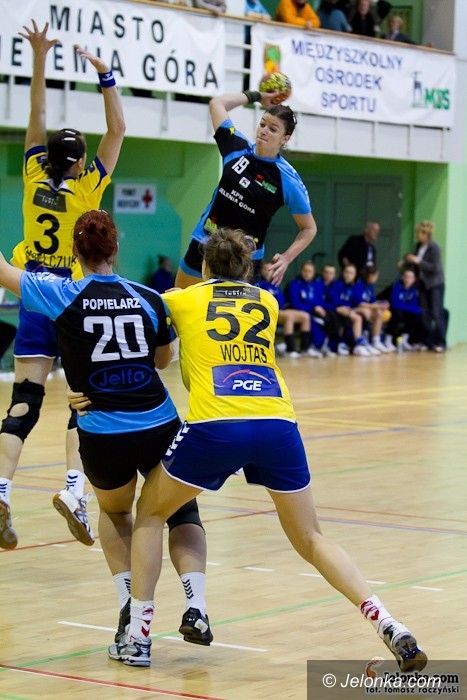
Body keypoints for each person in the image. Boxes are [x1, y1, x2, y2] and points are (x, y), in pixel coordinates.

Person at [103, 228, 426, 671]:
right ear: (247, 269)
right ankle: (388, 622)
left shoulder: (184, 299)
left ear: (205, 266)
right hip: (277, 423)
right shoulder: (267, 301)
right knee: (311, 538)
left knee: (150, 512)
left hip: (216, 424)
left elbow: (131, 305)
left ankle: (138, 637)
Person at [0, 209, 211, 650]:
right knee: (182, 513)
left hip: (101, 432)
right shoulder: (148, 297)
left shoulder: (60, 293)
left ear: (74, 252)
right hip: (157, 424)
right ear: (116, 248)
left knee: (117, 514)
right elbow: (162, 361)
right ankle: (197, 606)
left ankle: (130, 611)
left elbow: (4, 271)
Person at [0, 21, 125, 550]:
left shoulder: (33, 173)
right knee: (84, 398)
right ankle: (75, 489)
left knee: (24, 399)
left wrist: (38, 57)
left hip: (31, 289)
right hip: (71, 297)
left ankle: (1, 488)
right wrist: (106, 77)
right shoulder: (87, 187)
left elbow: (36, 116)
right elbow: (118, 131)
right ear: (77, 163)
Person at [176, 91, 317, 289]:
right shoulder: (236, 146)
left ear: (285, 139)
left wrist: (287, 258)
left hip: (245, 259)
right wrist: (257, 96)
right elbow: (217, 104)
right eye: (262, 124)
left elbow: (309, 228)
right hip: (206, 243)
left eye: (273, 129)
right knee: (178, 300)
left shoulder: (288, 180)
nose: (264, 131)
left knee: (235, 310)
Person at [402, 220, 446, 352]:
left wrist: (418, 260)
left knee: (436, 313)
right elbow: (415, 265)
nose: (417, 235)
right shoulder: (418, 246)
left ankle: (441, 342)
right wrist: (407, 261)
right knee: (424, 313)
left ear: (426, 234)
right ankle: (428, 342)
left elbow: (435, 268)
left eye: (419, 233)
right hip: (422, 284)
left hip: (435, 284)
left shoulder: (434, 248)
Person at [257, 261, 311, 358]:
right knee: (289, 317)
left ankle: (304, 349)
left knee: (305, 316)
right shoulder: (259, 284)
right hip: (268, 312)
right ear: (261, 271)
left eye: (271, 269)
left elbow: (282, 301)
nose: (268, 271)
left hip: (281, 310)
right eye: (266, 269)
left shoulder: (274, 285)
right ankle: (290, 350)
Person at [331, 263, 376, 356]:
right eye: (346, 272)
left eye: (351, 273)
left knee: (366, 312)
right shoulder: (337, 284)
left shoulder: (354, 286)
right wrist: (342, 307)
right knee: (357, 318)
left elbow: (356, 301)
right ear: (343, 273)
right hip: (338, 309)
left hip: (350, 309)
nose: (348, 275)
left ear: (355, 275)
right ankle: (358, 345)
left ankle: (366, 340)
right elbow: (334, 301)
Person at [285, 261, 323, 356]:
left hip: (312, 312)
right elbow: (295, 303)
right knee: (310, 318)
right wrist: (312, 308)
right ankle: (308, 347)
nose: (307, 273)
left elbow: (319, 302)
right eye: (305, 271)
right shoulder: (294, 284)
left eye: (310, 271)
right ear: (301, 271)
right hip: (298, 311)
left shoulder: (316, 285)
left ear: (313, 273)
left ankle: (317, 347)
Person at [354, 266, 391, 354]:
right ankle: (364, 341)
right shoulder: (359, 284)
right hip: (354, 308)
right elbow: (360, 303)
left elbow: (372, 301)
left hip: (366, 308)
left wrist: (382, 304)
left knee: (379, 312)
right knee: (368, 312)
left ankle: (376, 341)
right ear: (370, 275)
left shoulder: (370, 286)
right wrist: (376, 306)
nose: (376, 278)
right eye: (376, 276)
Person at [386, 267, 424, 350]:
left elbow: (414, 306)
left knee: (416, 315)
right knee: (397, 313)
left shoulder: (414, 290)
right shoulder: (396, 286)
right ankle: (388, 340)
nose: (408, 279)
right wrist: (408, 307)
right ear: (403, 277)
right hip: (395, 310)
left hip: (405, 312)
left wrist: (408, 307)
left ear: (414, 279)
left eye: (410, 277)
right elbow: (395, 303)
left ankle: (404, 340)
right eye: (406, 276)